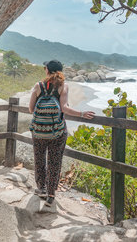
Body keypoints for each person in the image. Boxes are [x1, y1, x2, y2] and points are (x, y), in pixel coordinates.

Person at [28, 59, 95, 207]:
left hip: (39, 131)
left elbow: (31, 109)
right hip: (57, 132)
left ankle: (41, 188)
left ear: (47, 70)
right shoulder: (63, 86)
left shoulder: (38, 86)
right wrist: (82, 113)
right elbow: (64, 108)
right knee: (54, 161)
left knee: (39, 159)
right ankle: (51, 194)